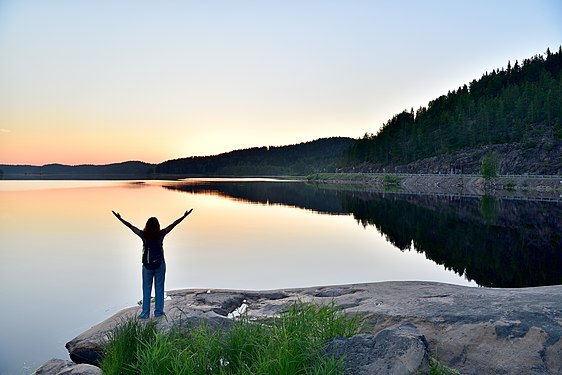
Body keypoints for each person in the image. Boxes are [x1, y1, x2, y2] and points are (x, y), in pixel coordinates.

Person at [112, 209, 193, 318]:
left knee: (146, 289)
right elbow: (173, 224)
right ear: (157, 226)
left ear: (147, 226)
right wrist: (184, 216)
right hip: (160, 265)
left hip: (147, 266)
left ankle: (145, 313)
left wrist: (120, 218)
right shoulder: (161, 234)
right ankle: (158, 312)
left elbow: (130, 227)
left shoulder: (143, 235)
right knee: (159, 288)